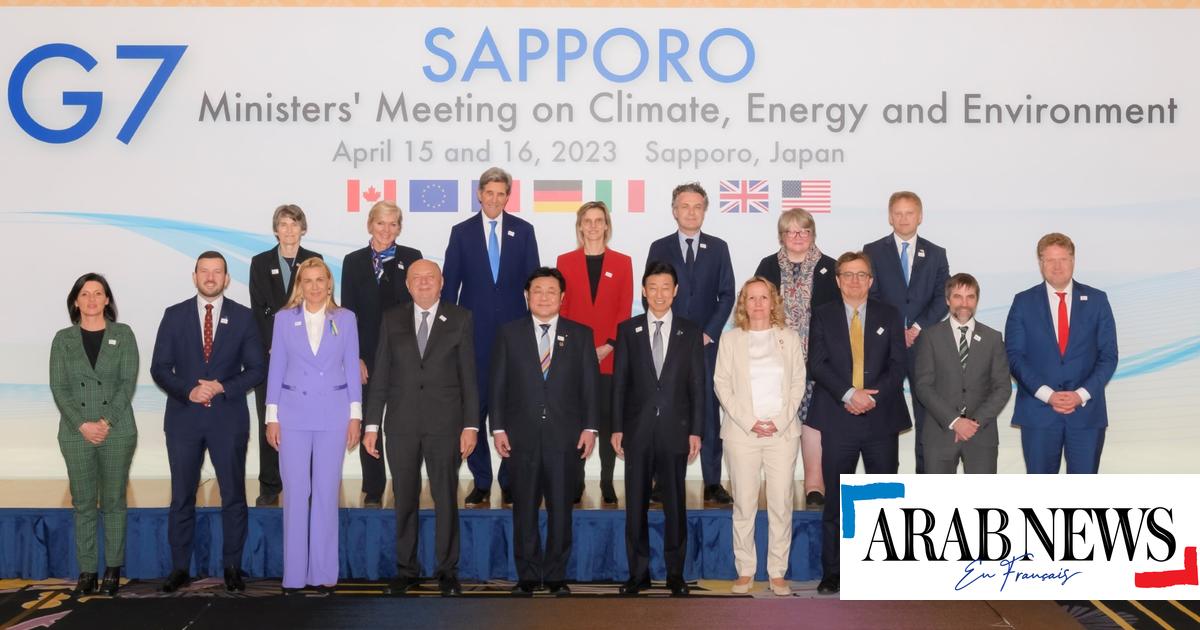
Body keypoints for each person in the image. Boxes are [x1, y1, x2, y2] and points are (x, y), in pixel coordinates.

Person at [151, 251, 266, 593]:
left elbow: (257, 369)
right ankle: (180, 568)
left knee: (233, 495)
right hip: (184, 419)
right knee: (182, 496)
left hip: (227, 419)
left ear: (227, 279)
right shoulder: (174, 316)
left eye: (218, 272)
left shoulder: (244, 318)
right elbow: (159, 368)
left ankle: (232, 566)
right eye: (205, 271)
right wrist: (189, 391)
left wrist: (222, 388)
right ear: (195, 275)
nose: (211, 277)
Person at [362, 260, 478, 597]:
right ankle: (406, 569)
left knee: (445, 498)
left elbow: (469, 378)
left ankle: (447, 571)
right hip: (401, 424)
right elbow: (381, 375)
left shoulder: (460, 318)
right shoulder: (392, 318)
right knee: (405, 499)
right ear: (408, 285)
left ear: (441, 282)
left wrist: (470, 425)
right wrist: (372, 424)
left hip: (446, 425)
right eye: (417, 278)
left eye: (430, 278)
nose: (424, 283)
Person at [489, 267, 598, 596]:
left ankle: (554, 576)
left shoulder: (580, 334)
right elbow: (497, 386)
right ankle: (527, 575)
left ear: (563, 298)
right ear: (527, 296)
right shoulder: (509, 333)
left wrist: (591, 428)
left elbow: (590, 386)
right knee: (523, 509)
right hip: (521, 437)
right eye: (538, 290)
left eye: (552, 291)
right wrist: (497, 428)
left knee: (561, 510)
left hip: (565, 437)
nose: (545, 297)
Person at [807, 252, 911, 595]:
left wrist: (871, 397)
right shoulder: (821, 315)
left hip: (880, 420)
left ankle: (882, 572)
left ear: (871, 280)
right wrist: (850, 394)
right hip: (838, 419)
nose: (854, 281)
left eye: (861, 275)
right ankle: (833, 573)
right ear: (837, 280)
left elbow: (899, 365)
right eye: (847, 275)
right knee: (837, 499)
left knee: (882, 500)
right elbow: (817, 363)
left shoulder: (890, 314)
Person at [263, 258, 362, 593]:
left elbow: (352, 368)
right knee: (295, 492)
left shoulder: (346, 319)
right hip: (292, 415)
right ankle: (293, 575)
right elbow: (275, 369)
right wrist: (271, 417)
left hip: (334, 415)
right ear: (299, 286)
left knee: (324, 492)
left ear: (329, 284)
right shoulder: (283, 320)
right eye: (308, 281)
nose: (315, 286)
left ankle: (322, 573)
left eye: (321, 280)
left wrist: (356, 415)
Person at [443, 167, 540, 508]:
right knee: (475, 409)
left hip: (516, 339)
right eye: (490, 193)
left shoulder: (523, 231)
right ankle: (482, 480)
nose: (495, 199)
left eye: (502, 194)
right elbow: (449, 285)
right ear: (479, 194)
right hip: (473, 338)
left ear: (507, 197)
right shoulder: (461, 233)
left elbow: (535, 287)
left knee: (515, 411)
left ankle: (511, 480)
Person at [611, 261, 704, 597]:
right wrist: (617, 427)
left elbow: (698, 385)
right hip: (637, 431)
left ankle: (676, 574)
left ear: (675, 291)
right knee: (635, 505)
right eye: (653, 287)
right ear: (644, 291)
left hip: (676, 432)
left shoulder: (690, 331)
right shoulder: (628, 330)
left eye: (666, 287)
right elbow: (619, 383)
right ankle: (639, 574)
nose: (660, 294)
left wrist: (696, 430)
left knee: (675, 505)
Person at [714, 277, 807, 596]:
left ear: (773, 302)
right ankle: (745, 571)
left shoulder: (789, 338)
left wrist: (779, 421)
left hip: (782, 434)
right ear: (743, 304)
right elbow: (721, 385)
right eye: (750, 298)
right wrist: (751, 421)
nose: (757, 304)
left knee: (782, 503)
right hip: (742, 434)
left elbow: (798, 383)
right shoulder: (731, 340)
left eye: (763, 297)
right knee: (744, 504)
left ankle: (777, 572)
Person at [645, 182, 735, 507]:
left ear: (705, 211)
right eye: (685, 206)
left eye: (697, 206)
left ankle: (712, 481)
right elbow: (653, 293)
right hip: (667, 344)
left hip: (707, 345)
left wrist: (708, 332)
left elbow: (727, 294)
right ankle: (662, 481)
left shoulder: (719, 247)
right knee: (665, 410)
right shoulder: (660, 246)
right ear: (674, 210)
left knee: (708, 411)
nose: (691, 212)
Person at [49, 273, 138, 596]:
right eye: (84, 294)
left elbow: (128, 382)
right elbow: (59, 387)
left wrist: (105, 422)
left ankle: (113, 570)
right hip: (76, 433)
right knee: (84, 503)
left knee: (114, 501)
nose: (91, 299)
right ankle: (87, 571)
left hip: (117, 431)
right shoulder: (63, 339)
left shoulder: (123, 335)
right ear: (76, 300)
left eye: (98, 293)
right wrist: (83, 424)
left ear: (107, 300)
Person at [1005, 233, 1117, 474]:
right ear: (1040, 263)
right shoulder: (1022, 302)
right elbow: (1014, 356)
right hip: (1038, 413)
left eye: (1063, 259)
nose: (1057, 266)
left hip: (1086, 415)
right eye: (1050, 260)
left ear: (1073, 260)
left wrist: (1080, 394)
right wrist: (1048, 395)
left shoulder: (1097, 300)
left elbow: (1108, 355)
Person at [753, 208, 839, 509]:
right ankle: (780, 484)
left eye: (804, 231)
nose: (798, 236)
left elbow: (838, 318)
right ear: (782, 236)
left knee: (813, 422)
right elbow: (757, 309)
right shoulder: (767, 265)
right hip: (775, 360)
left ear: (813, 234)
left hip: (819, 360)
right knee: (781, 420)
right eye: (791, 231)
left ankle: (814, 483)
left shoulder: (831, 267)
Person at [341, 201, 422, 507]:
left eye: (393, 224)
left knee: (402, 426)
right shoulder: (353, 261)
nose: (387, 230)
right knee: (367, 421)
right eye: (381, 223)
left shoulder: (411, 258)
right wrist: (355, 357)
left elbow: (419, 310)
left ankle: (404, 484)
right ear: (369, 225)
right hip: (366, 357)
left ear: (399, 228)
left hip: (405, 357)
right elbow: (348, 315)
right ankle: (373, 486)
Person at [862, 191, 949, 474]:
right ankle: (885, 477)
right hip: (885, 345)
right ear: (890, 217)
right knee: (884, 410)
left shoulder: (936, 254)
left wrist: (915, 328)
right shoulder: (872, 251)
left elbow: (942, 297)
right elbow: (869, 294)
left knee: (926, 413)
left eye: (909, 213)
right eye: (897, 213)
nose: (903, 218)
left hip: (924, 343)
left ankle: (924, 478)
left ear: (920, 216)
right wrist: (896, 330)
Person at [556, 201, 633, 507]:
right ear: (579, 226)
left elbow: (624, 308)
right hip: (575, 357)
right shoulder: (565, 261)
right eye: (587, 221)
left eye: (598, 220)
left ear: (606, 225)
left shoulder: (623, 262)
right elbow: (563, 309)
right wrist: (583, 350)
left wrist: (609, 345)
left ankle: (606, 480)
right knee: (577, 422)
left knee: (606, 419)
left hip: (611, 354)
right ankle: (576, 481)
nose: (592, 226)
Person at [248, 204, 322, 507]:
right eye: (283, 224)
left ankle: (305, 482)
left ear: (303, 229)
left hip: (307, 358)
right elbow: (260, 309)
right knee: (271, 418)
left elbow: (318, 306)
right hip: (270, 354)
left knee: (306, 421)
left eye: (294, 224)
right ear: (275, 229)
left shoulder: (313, 262)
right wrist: (276, 343)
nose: (289, 230)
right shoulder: (261, 262)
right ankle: (270, 483)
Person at [913, 273, 1012, 474]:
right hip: (940, 434)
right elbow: (923, 386)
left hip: (981, 434)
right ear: (948, 300)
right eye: (958, 296)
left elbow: (1002, 387)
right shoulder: (929, 337)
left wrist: (973, 423)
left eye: (970, 297)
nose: (964, 303)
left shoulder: (993, 338)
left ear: (977, 300)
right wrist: (955, 421)